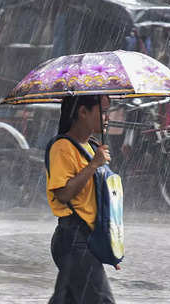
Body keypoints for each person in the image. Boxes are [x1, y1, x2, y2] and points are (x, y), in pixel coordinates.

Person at [47, 95, 117, 304]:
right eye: (102, 111)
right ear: (83, 112)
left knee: (65, 300)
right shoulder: (62, 147)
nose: (107, 117)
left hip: (89, 239)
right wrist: (93, 165)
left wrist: (110, 246)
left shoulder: (93, 146)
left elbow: (97, 203)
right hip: (73, 240)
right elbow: (64, 194)